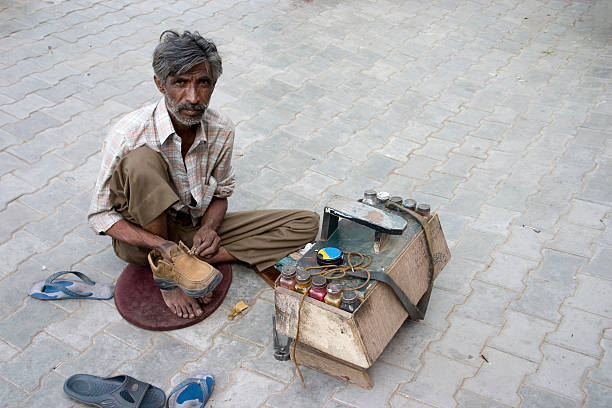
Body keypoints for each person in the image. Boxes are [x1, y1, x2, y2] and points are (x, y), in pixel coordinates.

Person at [88, 30, 319, 319]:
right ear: (160, 84)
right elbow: (100, 215)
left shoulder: (222, 130)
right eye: (180, 83)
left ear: (214, 84)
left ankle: (195, 260)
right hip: (146, 240)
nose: (193, 97)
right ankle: (169, 274)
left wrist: (209, 228)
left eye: (203, 83)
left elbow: (221, 193)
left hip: (190, 229)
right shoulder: (129, 133)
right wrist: (162, 246)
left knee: (305, 224)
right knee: (142, 161)